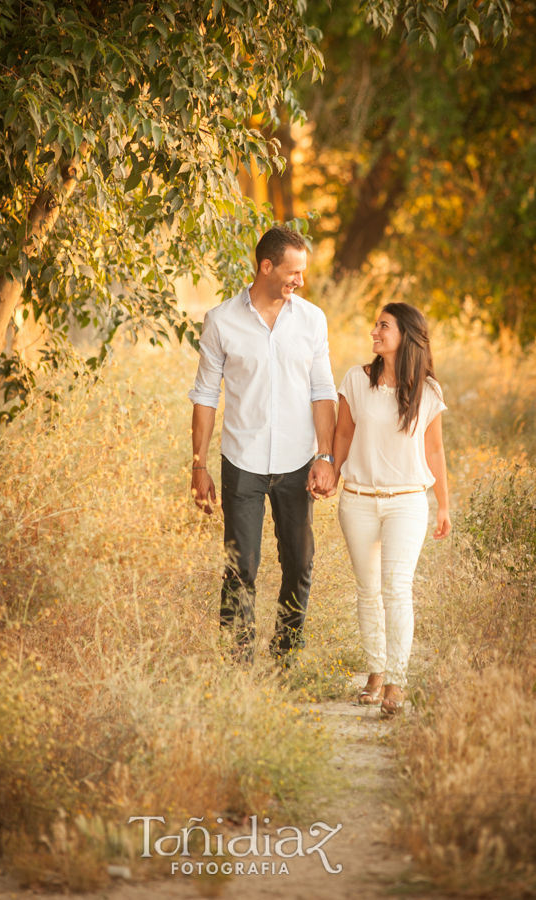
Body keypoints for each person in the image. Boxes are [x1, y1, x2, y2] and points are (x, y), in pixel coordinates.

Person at [188, 225, 338, 662]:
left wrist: (325, 456)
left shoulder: (311, 319)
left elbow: (322, 388)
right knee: (242, 567)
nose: (300, 281)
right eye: (293, 272)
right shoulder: (221, 320)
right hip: (243, 461)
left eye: (303, 273)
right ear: (266, 267)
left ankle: (286, 653)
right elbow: (204, 395)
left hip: (297, 462)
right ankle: (238, 661)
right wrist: (199, 465)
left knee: (299, 562)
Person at [328, 302, 450, 716]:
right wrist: (329, 470)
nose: (374, 332)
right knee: (368, 591)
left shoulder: (428, 392)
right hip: (358, 500)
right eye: (375, 325)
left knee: (397, 589)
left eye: (384, 326)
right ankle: (375, 672)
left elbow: (434, 449)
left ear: (406, 336)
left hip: (407, 502)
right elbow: (342, 433)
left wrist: (444, 505)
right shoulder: (356, 381)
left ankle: (396, 682)